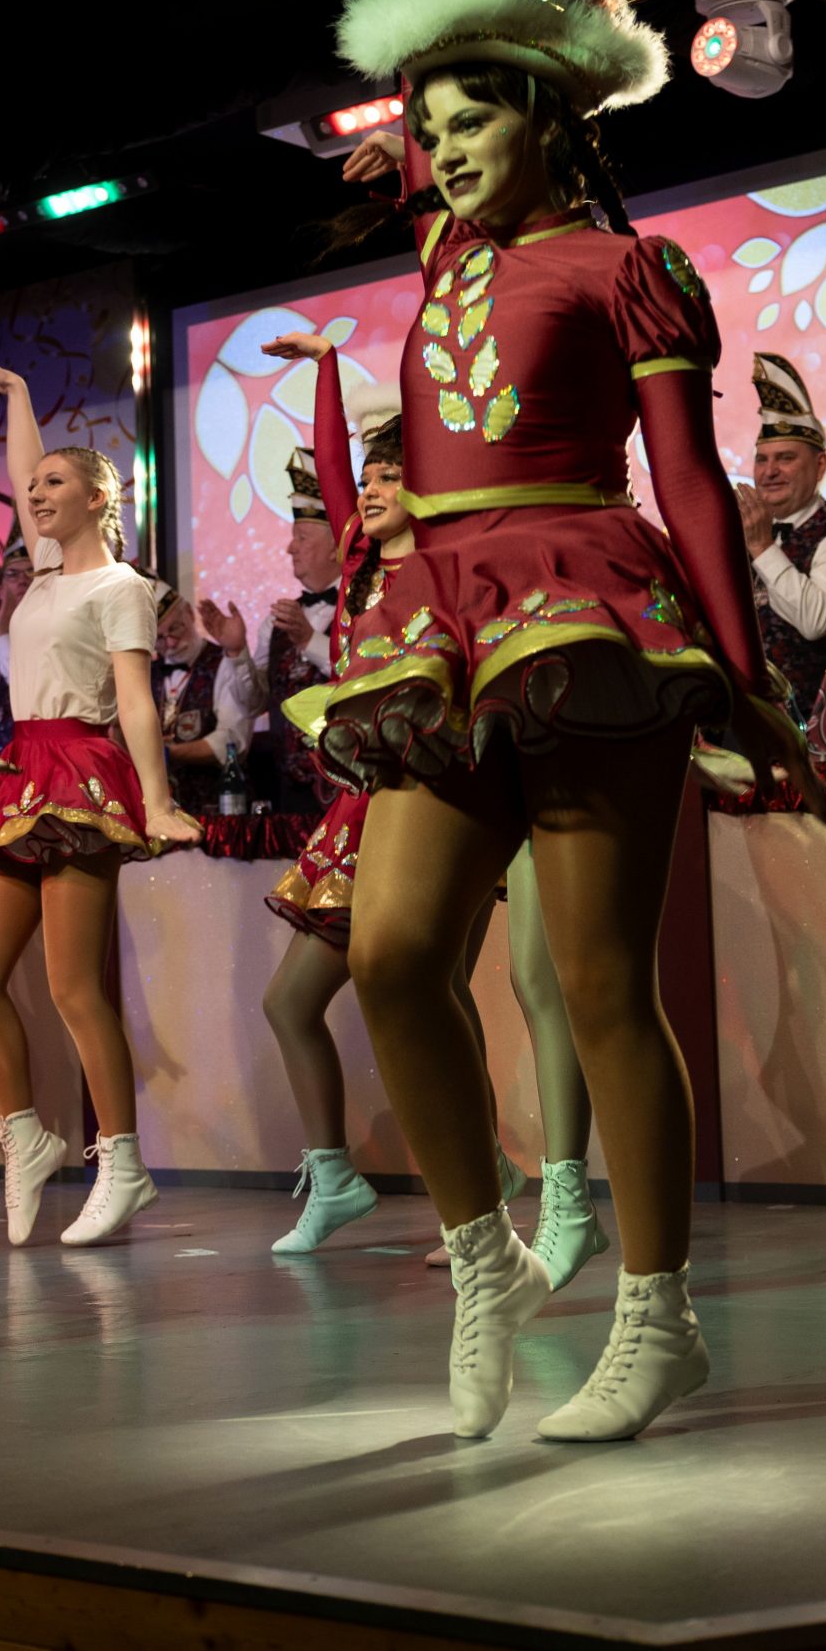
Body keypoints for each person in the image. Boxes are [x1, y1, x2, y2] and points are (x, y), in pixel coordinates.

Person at [329, 0, 824, 1440]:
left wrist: (746, 675)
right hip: (444, 621)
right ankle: (485, 1261)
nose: (440, 152)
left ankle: (658, 1318)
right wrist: (417, 129)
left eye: (470, 121)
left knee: (604, 984)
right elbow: (429, 159)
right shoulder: (446, 257)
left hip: (588, 609)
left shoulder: (632, 269)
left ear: (549, 120)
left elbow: (690, 482)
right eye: (426, 133)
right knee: (389, 953)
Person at [254, 342, 596, 1284]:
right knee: (417, 981)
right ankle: (483, 1183)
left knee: (536, 980)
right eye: (366, 478)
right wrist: (327, 366)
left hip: (489, 772)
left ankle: (562, 1198)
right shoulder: (360, 563)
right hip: (400, 791)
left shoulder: (460, 553)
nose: (366, 490)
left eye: (390, 474)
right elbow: (333, 469)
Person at [0, 356, 202, 1249]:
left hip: (79, 766)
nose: (37, 493)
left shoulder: (120, 587)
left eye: (56, 484)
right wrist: (18, 393)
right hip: (23, 765)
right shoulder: (45, 571)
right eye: (35, 485)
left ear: (97, 498)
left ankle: (122, 1161)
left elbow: (135, 700)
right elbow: (23, 469)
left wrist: (155, 800)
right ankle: (27, 1137)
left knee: (72, 984)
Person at [733, 353, 826, 732]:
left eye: (785, 458)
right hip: (745, 728)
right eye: (762, 460)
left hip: (823, 733)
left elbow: (815, 620)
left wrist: (762, 548)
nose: (769, 471)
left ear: (820, 465)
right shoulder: (739, 533)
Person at [244, 453, 345, 814]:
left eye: (301, 537)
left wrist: (309, 640)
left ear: (335, 548)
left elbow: (366, 676)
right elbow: (254, 702)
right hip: (287, 796)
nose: (290, 547)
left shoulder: (364, 607)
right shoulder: (276, 622)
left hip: (346, 788)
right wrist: (235, 653)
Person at [151, 593, 257, 817]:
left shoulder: (224, 662)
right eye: (159, 638)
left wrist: (170, 753)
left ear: (190, 614)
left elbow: (232, 739)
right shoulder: (145, 673)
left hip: (217, 810)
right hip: (161, 812)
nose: (170, 643)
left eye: (175, 629)